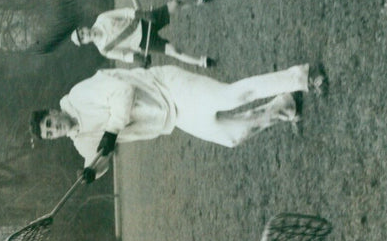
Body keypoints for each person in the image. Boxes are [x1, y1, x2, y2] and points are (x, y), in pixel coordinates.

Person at [29, 62, 325, 181]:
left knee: (230, 97)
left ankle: (301, 76)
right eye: (50, 134)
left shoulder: (80, 94)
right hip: (173, 118)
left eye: (50, 124)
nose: (55, 130)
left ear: (53, 112)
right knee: (232, 137)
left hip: (168, 87)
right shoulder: (80, 142)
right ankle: (283, 106)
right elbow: (102, 158)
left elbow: (124, 91)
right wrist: (91, 173)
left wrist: (111, 130)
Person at [70, 0, 216, 69]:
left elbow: (125, 12)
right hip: (143, 43)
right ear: (85, 43)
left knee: (175, 4)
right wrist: (138, 59)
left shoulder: (101, 18)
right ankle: (202, 62)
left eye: (81, 32)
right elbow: (124, 55)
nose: (85, 35)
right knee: (174, 51)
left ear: (83, 28)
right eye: (82, 38)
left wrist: (143, 15)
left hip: (144, 22)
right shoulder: (104, 49)